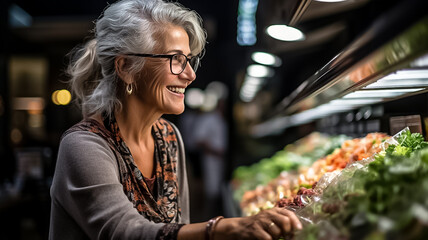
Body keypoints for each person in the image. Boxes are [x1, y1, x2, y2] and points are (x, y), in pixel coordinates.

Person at [49, 0, 302, 239]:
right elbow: (123, 232)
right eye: (176, 60)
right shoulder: (83, 146)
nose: (190, 75)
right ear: (126, 67)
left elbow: (178, 226)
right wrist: (222, 228)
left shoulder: (168, 136)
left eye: (189, 60)